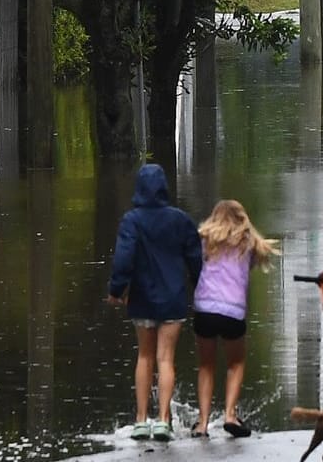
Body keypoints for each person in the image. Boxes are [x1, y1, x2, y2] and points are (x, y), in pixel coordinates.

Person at [107, 163, 202, 442]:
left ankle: (140, 420)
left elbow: (123, 259)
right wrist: (202, 288)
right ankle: (162, 420)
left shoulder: (131, 221)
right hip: (173, 298)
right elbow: (195, 259)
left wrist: (116, 290)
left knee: (145, 356)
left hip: (142, 298)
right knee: (165, 358)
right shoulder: (181, 220)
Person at [191, 199, 277, 439]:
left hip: (205, 310)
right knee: (235, 363)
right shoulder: (247, 243)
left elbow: (194, 264)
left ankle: (202, 423)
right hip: (233, 312)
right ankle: (230, 414)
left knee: (206, 365)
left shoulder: (204, 240)